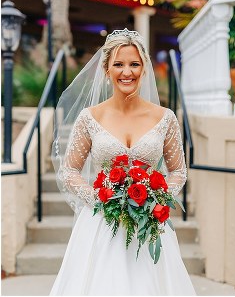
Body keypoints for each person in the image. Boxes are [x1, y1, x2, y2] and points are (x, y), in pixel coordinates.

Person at [50, 29, 195, 295]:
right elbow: (70, 169)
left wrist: (157, 197)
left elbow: (178, 171)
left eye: (134, 64)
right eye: (118, 64)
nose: (126, 72)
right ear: (106, 69)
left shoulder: (165, 118)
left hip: (149, 225)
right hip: (101, 225)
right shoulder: (89, 117)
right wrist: (100, 200)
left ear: (144, 68)